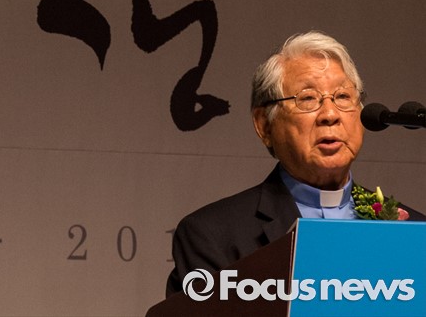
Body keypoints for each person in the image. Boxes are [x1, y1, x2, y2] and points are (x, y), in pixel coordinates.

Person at [166, 30, 424, 295]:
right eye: (308, 98)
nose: (330, 114)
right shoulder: (212, 236)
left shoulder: (415, 232)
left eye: (343, 97)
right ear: (264, 125)